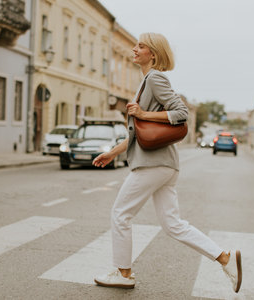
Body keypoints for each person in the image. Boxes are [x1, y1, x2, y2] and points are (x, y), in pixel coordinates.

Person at [92, 32, 242, 293]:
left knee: (120, 213)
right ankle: (225, 258)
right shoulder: (146, 81)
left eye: (141, 46)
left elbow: (181, 113)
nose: (134, 48)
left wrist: (143, 112)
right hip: (164, 164)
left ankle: (123, 273)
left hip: (154, 164)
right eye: (136, 44)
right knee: (173, 225)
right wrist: (114, 152)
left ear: (153, 53)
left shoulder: (155, 78)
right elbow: (139, 132)